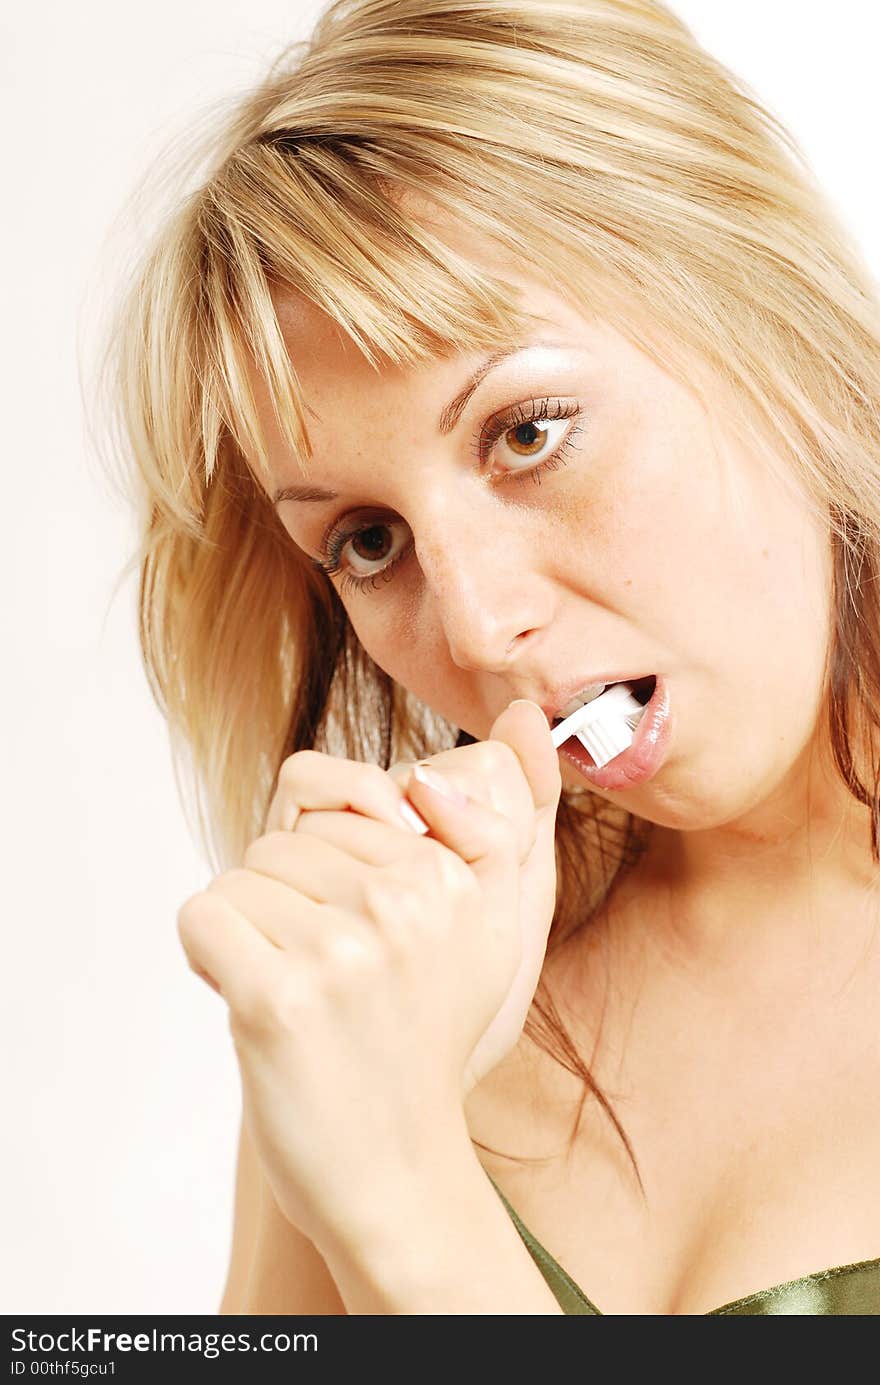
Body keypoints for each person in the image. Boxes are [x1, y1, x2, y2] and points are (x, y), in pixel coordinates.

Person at [94, 0, 880, 1313]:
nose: (469, 626)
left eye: (528, 431)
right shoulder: (390, 999)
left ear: (766, 310)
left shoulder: (384, 1096)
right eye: (365, 538)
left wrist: (406, 1195)